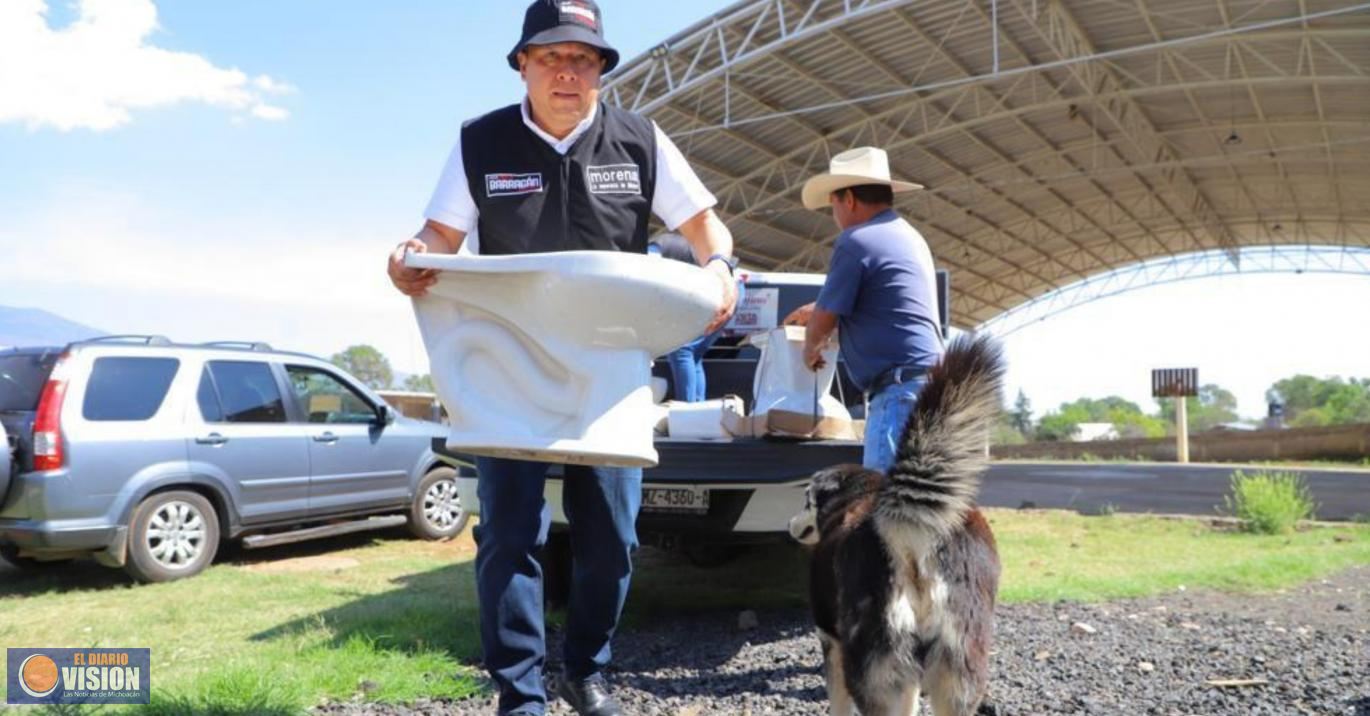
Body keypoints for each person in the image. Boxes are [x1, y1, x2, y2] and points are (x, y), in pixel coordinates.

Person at [385, 3, 738, 714]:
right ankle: (519, 693)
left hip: (609, 370)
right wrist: (407, 259)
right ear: (523, 64)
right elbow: (436, 237)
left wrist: (723, 267)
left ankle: (586, 668)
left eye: (584, 59)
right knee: (511, 535)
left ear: (602, 70)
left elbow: (705, 227)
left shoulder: (641, 141)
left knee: (612, 538)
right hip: (507, 367)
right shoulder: (480, 143)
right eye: (552, 57)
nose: (568, 72)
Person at [785, 146, 944, 472]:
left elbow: (823, 323)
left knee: (884, 506)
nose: (835, 215)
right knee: (921, 508)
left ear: (849, 200)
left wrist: (811, 348)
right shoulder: (906, 236)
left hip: (900, 391)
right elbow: (885, 305)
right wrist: (817, 309)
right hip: (930, 386)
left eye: (833, 204)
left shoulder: (856, 240)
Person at [648, 233, 744, 402]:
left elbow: (650, 286)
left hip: (724, 288)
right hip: (732, 287)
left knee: (681, 349)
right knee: (693, 354)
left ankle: (686, 407)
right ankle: (696, 406)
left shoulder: (652, 253)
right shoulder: (663, 247)